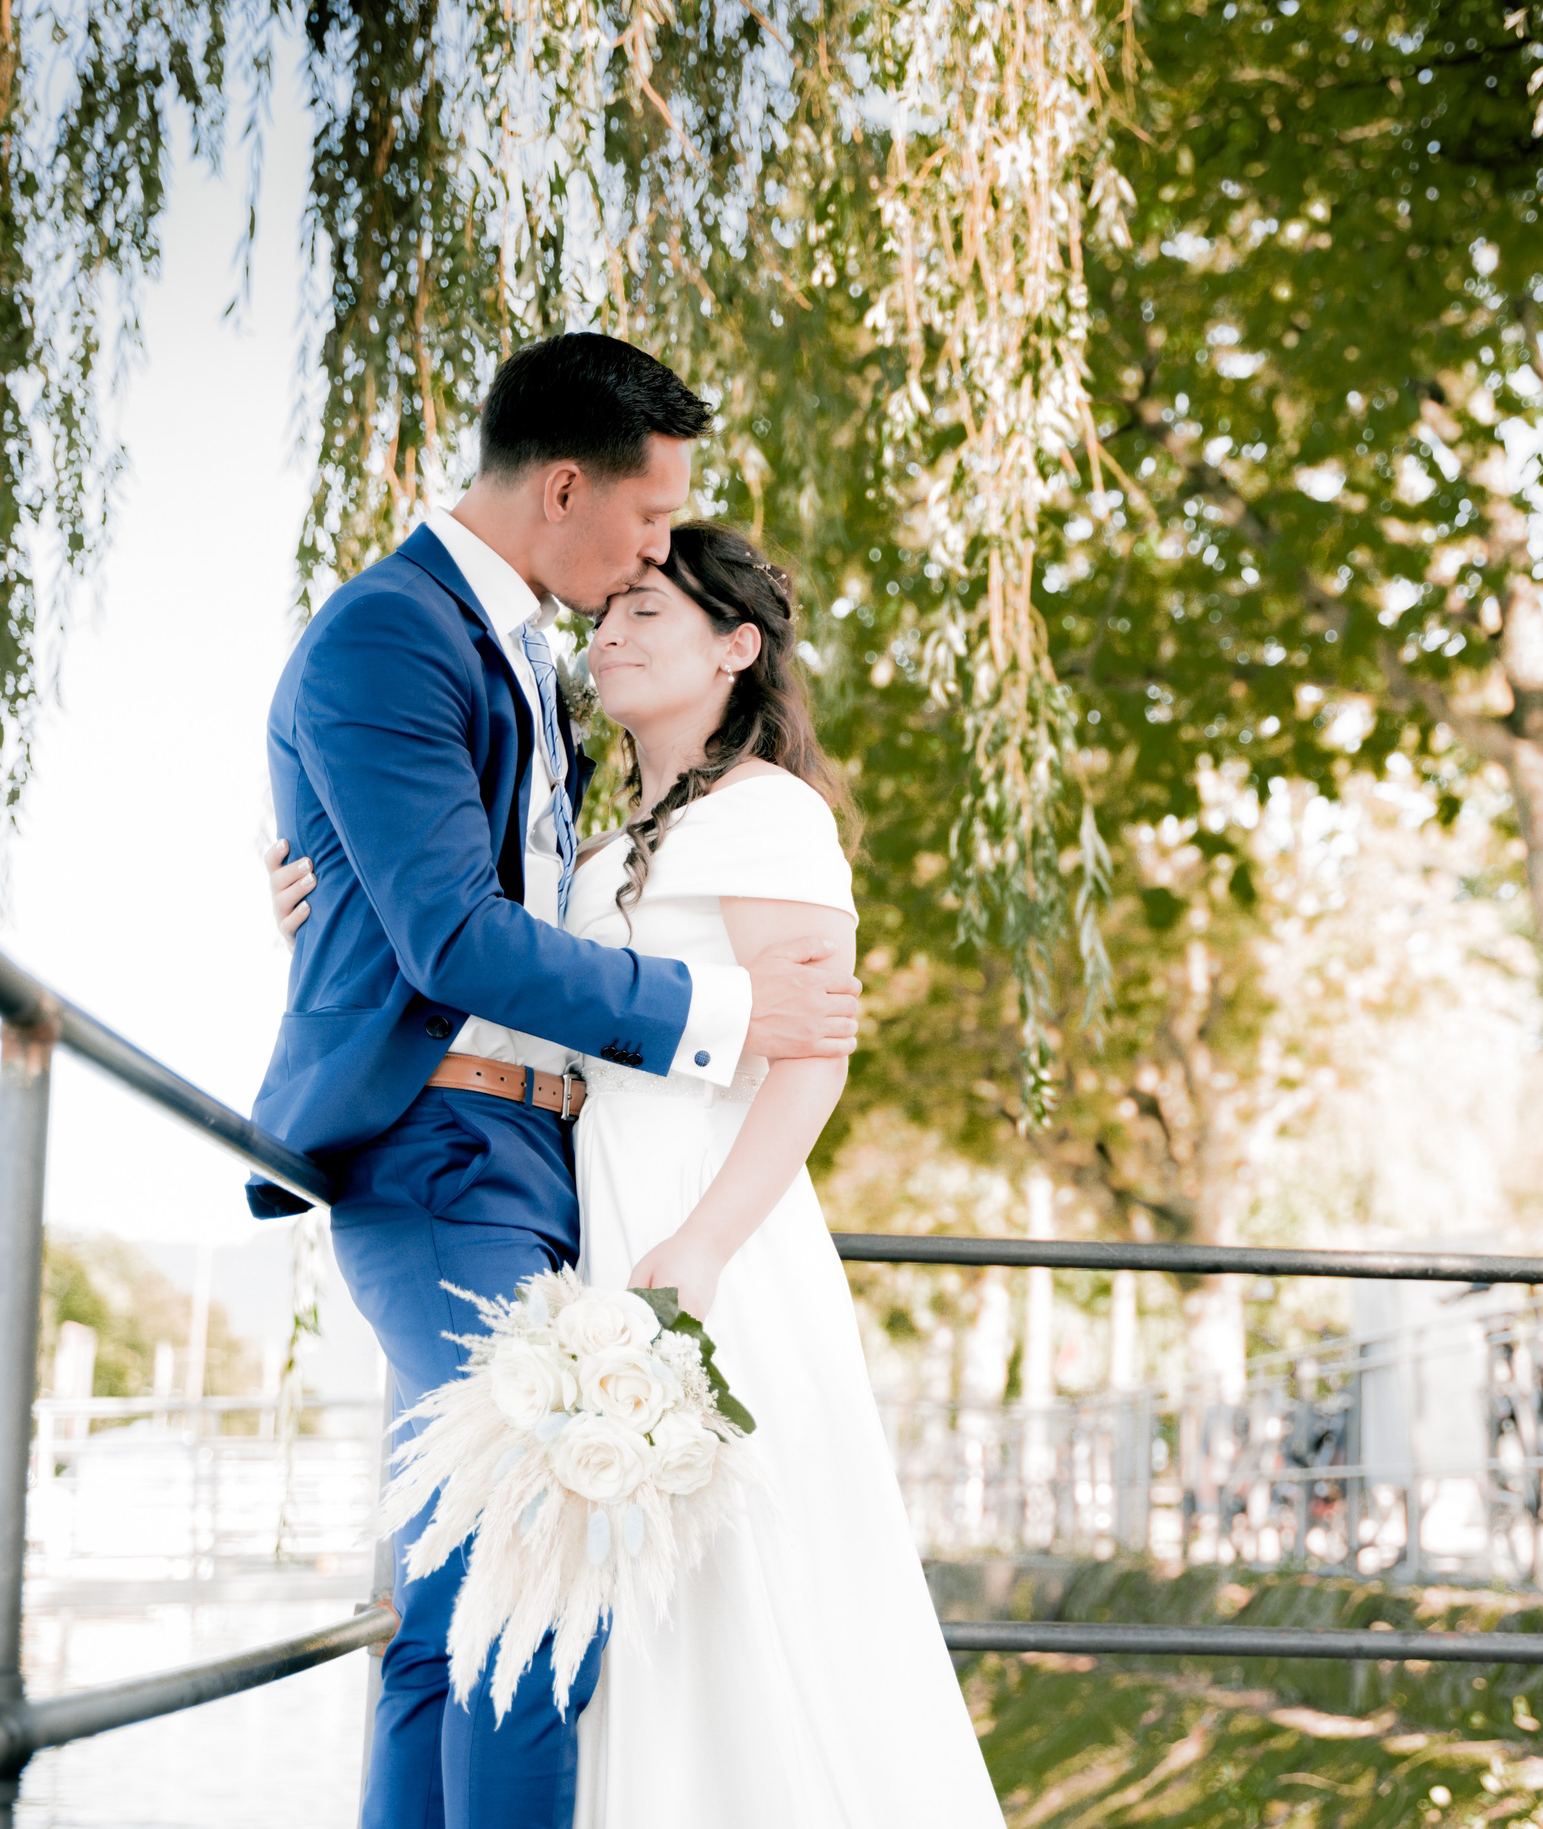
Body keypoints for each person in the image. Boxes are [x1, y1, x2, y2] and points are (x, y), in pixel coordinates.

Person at [271, 522, 1005, 1827]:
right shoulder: (597, 847)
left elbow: (811, 1059)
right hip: (587, 1214)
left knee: (729, 1572)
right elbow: (491, 961)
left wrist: (712, 1240)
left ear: (739, 646)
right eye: (604, 614)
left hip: (701, 1225)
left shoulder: (771, 815)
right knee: (598, 1579)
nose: (606, 633)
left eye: (646, 614)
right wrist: (325, 893)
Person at [247, 332, 861, 1829]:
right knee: (531, 1601)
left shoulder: (518, 649)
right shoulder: (395, 633)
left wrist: (329, 889)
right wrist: (720, 1009)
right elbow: (454, 933)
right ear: (571, 486)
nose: (659, 548)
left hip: (531, 1165)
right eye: (651, 520)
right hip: (445, 1152)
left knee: (463, 1609)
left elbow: (451, 889)